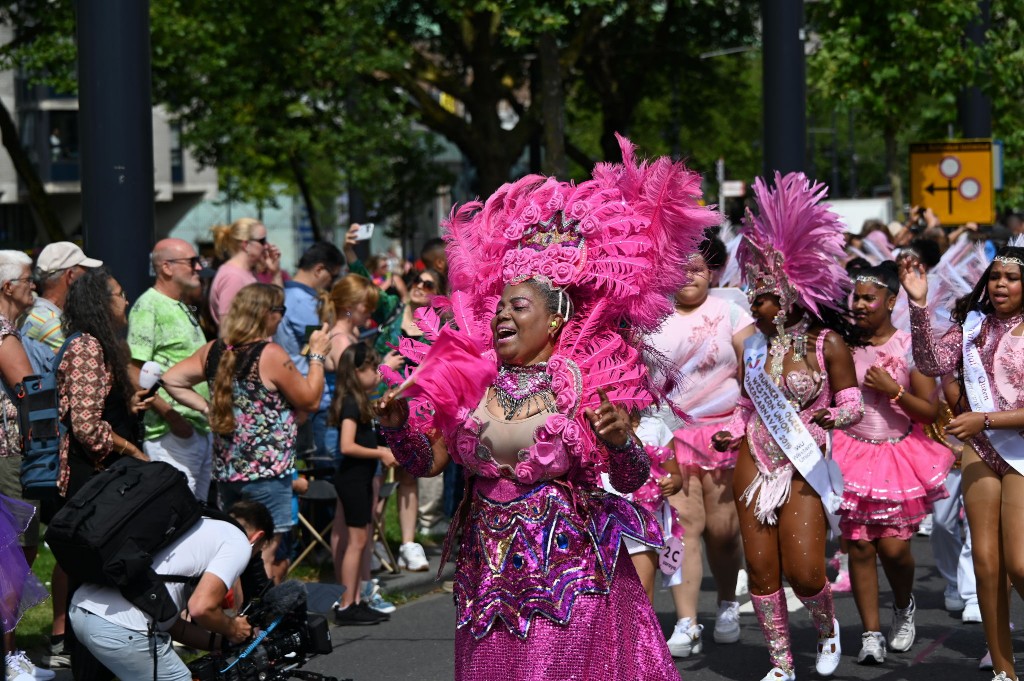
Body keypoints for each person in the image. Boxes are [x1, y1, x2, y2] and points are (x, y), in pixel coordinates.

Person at [377, 135, 718, 679]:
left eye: (519, 306)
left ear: (555, 317)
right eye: (499, 308)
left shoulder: (583, 380)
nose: (501, 318)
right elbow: (428, 462)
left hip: (568, 571)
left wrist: (619, 442)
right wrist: (398, 432)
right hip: (487, 573)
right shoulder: (474, 379)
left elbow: (629, 479)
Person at [713, 172, 864, 681]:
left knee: (803, 571)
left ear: (794, 294)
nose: (754, 305)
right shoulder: (752, 347)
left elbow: (852, 403)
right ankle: (780, 663)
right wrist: (729, 431)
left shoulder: (827, 344)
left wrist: (832, 415)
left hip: (804, 461)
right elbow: (744, 405)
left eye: (763, 296)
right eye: (753, 296)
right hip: (754, 460)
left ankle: (825, 628)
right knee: (759, 569)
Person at [900, 239, 1024, 681]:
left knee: (1020, 563)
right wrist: (918, 305)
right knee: (987, 564)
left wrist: (985, 418)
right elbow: (930, 362)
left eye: (1012, 277)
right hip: (982, 449)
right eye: (996, 277)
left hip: (1020, 452)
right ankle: (1004, 671)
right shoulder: (972, 327)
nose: (1002, 284)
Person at [162, 283, 330, 578]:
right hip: (268, 474)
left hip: (228, 474)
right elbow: (311, 399)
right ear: (266, 314)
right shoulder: (270, 354)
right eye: (280, 311)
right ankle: (265, 618)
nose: (281, 318)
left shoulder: (215, 350)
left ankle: (237, 617)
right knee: (269, 552)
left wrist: (206, 408)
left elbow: (171, 379)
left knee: (235, 553)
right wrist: (316, 356)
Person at [831, 262, 953, 663]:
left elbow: (929, 412)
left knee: (896, 550)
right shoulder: (841, 345)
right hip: (849, 451)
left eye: (870, 298)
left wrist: (893, 390)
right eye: (856, 297)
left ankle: (903, 607)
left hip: (897, 455)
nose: (861, 305)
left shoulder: (908, 346)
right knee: (861, 547)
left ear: (891, 300)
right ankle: (870, 633)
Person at [649, 236, 753, 657]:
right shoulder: (649, 319)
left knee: (724, 532)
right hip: (670, 436)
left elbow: (754, 368)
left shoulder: (730, 311)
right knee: (681, 528)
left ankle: (727, 603)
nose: (688, 276)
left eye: (697, 268)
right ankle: (686, 620)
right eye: (680, 268)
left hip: (726, 433)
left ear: (711, 273)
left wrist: (747, 421)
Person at [68, 514, 255, 681]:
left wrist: (225, 642)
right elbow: (201, 607)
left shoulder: (191, 524)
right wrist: (234, 628)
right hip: (122, 627)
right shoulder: (239, 542)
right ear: (258, 538)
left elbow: (173, 626)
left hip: (82, 609)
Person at [0, 250, 55, 681]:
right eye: (27, 280)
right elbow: (29, 391)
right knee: (14, 556)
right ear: (7, 288)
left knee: (17, 553)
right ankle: (10, 656)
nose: (34, 286)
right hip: (11, 455)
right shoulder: (3, 333)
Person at [127, 239, 212, 500]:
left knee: (199, 514)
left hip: (196, 427)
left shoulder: (181, 304)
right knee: (177, 514)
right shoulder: (148, 305)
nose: (198, 267)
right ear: (167, 267)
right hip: (171, 433)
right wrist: (172, 417)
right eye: (191, 262)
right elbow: (133, 369)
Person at [378, 268, 449, 570]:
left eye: (428, 284)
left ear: (436, 292)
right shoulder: (391, 317)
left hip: (418, 411)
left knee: (409, 474)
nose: (420, 286)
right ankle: (375, 540)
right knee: (377, 477)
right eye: (417, 282)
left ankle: (408, 543)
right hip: (384, 404)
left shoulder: (438, 331)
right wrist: (383, 366)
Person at [330, 342, 397, 624]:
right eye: (371, 368)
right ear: (356, 372)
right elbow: (346, 445)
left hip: (361, 478)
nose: (376, 374)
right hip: (352, 479)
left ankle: (356, 598)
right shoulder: (349, 403)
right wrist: (380, 452)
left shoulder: (360, 404)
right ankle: (347, 604)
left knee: (360, 540)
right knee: (356, 542)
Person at [272, 241, 345, 460]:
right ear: (320, 269)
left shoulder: (284, 293)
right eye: (332, 276)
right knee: (320, 468)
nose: (331, 283)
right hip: (310, 393)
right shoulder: (303, 302)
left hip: (296, 390)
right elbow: (323, 350)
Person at [21, 242, 101, 354]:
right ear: (70, 276)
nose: (89, 280)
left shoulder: (37, 311)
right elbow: (83, 360)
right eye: (85, 273)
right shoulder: (51, 324)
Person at [208, 218, 282, 326]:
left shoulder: (246, 273)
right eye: (262, 241)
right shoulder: (233, 277)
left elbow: (276, 307)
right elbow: (228, 329)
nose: (267, 246)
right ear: (246, 245)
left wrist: (275, 273)